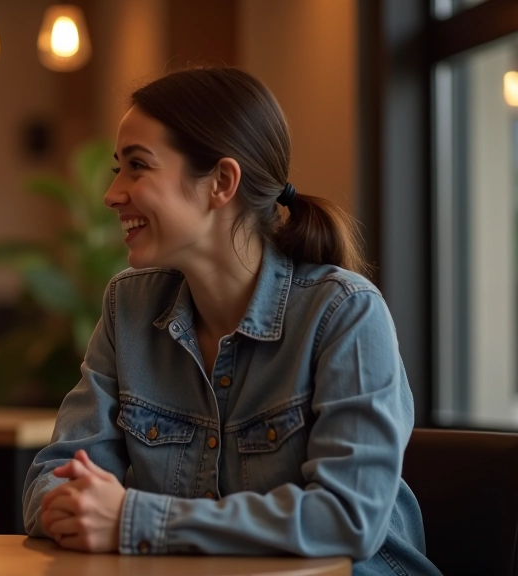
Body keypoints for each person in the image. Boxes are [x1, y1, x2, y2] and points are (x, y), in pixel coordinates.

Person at [22, 67, 440, 575]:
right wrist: (79, 507)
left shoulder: (345, 312)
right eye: (118, 168)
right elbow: (54, 478)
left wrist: (137, 519)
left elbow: (347, 519)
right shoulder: (127, 308)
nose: (113, 193)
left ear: (221, 182)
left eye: (137, 166)